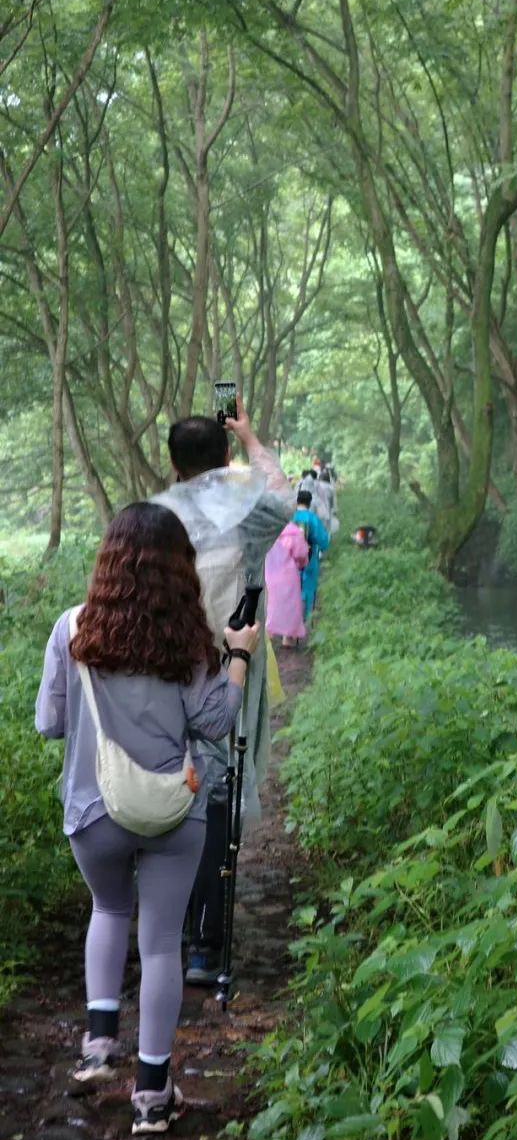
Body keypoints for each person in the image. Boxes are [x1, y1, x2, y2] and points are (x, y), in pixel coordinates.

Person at [35, 503, 259, 1136]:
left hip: (93, 811)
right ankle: (153, 1096)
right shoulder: (187, 641)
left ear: (108, 562)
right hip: (171, 813)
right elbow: (214, 723)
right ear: (178, 569)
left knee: (109, 909)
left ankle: (98, 1044)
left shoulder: (71, 629)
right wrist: (238, 657)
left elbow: (49, 723)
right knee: (161, 944)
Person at [151, 396, 292, 986]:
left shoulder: (152, 517)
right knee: (216, 796)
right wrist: (253, 438)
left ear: (173, 464)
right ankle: (205, 945)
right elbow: (285, 496)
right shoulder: (249, 511)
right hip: (231, 664)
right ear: (226, 455)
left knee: (170, 786)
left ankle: (171, 928)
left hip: (162, 671)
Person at [264, 521, 309, 647]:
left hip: (270, 573)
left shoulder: (267, 532)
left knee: (271, 603)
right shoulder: (293, 533)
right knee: (290, 606)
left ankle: (269, 632)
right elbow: (301, 554)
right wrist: (301, 563)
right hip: (289, 575)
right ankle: (287, 638)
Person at [293, 488, 330, 620]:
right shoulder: (312, 518)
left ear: (297, 501)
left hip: (289, 561)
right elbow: (323, 541)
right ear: (310, 502)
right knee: (307, 590)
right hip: (308, 560)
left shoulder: (289, 517)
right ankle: (304, 620)